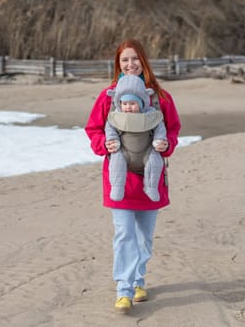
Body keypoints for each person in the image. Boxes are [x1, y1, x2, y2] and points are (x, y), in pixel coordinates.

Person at [85, 39, 181, 314]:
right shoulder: (108, 97)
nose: (130, 64)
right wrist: (104, 145)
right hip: (120, 180)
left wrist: (167, 145)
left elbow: (173, 129)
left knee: (144, 238)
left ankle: (139, 279)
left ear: (144, 62)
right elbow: (93, 129)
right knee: (124, 233)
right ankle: (124, 290)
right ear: (118, 64)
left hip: (152, 177)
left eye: (135, 59)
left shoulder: (161, 98)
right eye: (125, 60)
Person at [104, 74, 167, 202]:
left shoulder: (150, 115)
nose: (128, 107)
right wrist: (112, 140)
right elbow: (109, 128)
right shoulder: (116, 116)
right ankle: (117, 187)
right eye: (125, 103)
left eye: (133, 103)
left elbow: (160, 127)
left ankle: (151, 186)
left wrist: (159, 140)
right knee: (116, 162)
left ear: (142, 102)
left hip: (146, 150)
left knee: (155, 162)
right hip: (124, 151)